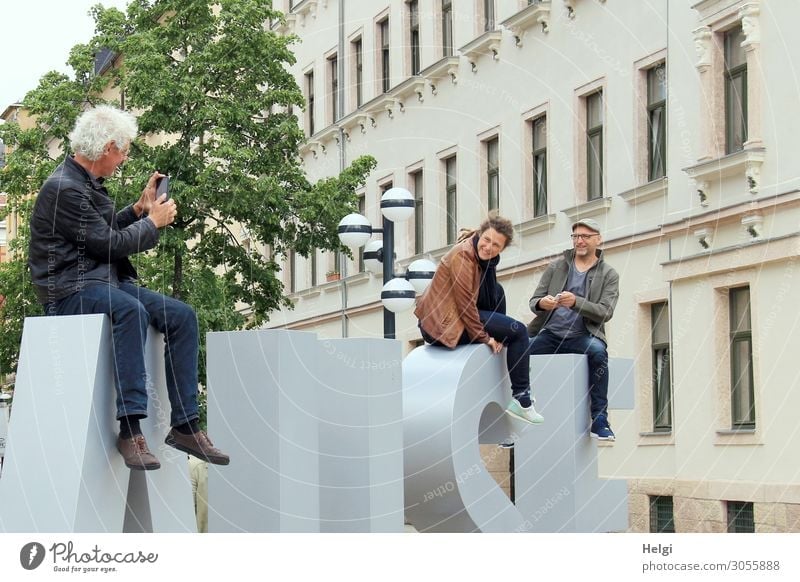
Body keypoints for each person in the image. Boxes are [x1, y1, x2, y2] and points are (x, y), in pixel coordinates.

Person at [28, 105, 230, 470]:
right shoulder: (64, 189)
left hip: (101, 281)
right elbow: (108, 246)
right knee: (129, 310)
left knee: (181, 316)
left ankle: (185, 425)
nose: (125, 158)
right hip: (69, 291)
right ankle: (130, 429)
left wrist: (137, 210)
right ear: (107, 147)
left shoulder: (82, 183)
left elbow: (97, 234)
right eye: (124, 150)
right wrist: (153, 223)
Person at [414, 213, 543, 425]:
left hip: (454, 318)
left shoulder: (484, 260)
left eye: (496, 245)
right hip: (441, 326)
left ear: (503, 248)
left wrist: (498, 334)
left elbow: (488, 299)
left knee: (498, 291)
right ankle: (522, 399)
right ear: (480, 235)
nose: (489, 247)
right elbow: (465, 305)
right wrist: (485, 338)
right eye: (486, 240)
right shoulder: (462, 256)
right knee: (518, 330)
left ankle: (518, 362)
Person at [527, 218, 619, 440]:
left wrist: (575, 302)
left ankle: (599, 421)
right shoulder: (556, 267)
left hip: (583, 336)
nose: (579, 241)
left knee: (599, 352)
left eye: (585, 237)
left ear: (598, 239)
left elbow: (606, 312)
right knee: (518, 353)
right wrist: (543, 304)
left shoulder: (609, 274)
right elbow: (534, 301)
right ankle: (516, 418)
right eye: (576, 236)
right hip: (550, 334)